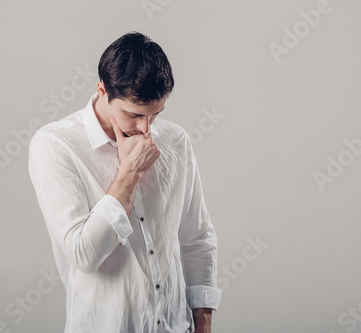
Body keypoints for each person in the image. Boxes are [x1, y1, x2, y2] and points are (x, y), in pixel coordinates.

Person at [28, 31, 221, 333]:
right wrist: (129, 173)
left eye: (155, 115)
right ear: (102, 90)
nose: (146, 129)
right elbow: (84, 254)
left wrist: (204, 323)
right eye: (134, 114)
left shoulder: (176, 140)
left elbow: (198, 238)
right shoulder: (55, 145)